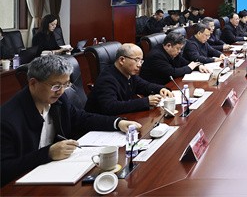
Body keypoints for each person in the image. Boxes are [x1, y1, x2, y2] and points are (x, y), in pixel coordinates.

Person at [0, 55, 141, 186]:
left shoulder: (58, 99)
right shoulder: (7, 119)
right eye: (56, 86)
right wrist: (47, 153)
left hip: (56, 173)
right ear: (33, 83)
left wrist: (118, 123)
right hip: (23, 184)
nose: (61, 91)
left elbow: (81, 118)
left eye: (66, 85)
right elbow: (4, 169)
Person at [85, 44, 173, 115]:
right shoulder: (107, 79)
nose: (139, 65)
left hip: (123, 118)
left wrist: (161, 89)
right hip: (101, 125)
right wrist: (146, 101)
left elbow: (145, 86)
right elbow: (111, 107)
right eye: (136, 60)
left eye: (141, 61)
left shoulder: (128, 73)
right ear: (122, 60)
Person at [139, 31, 209, 85]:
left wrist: (198, 66)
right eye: (178, 48)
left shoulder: (172, 53)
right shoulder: (156, 55)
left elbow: (184, 62)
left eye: (180, 49)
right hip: (156, 88)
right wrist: (189, 67)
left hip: (168, 83)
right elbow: (172, 73)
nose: (179, 51)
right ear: (168, 45)